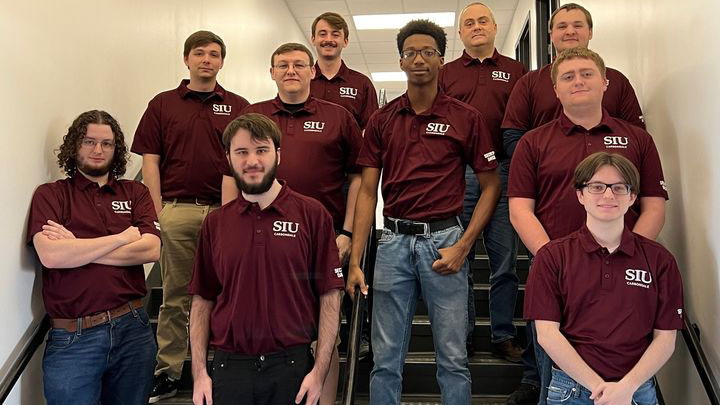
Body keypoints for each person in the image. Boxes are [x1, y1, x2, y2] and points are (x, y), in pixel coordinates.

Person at [347, 19, 500, 404]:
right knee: (385, 360)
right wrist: (356, 259)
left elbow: (492, 185)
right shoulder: (381, 121)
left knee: (452, 359)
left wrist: (465, 245)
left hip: (445, 243)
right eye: (411, 52)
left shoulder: (466, 118)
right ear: (400, 61)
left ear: (441, 60)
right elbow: (367, 192)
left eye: (428, 52)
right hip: (393, 245)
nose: (419, 59)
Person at [507, 47, 668, 404]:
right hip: (557, 270)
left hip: (628, 271)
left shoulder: (637, 139)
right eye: (567, 76)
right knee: (557, 371)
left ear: (605, 83)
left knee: (628, 363)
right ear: (555, 90)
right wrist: (556, 260)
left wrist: (627, 256)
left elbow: (654, 206)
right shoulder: (533, 143)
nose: (577, 81)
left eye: (586, 73)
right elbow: (520, 209)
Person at [222, 42, 363, 404]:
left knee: (324, 322)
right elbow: (230, 175)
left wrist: (346, 231)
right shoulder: (254, 115)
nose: (291, 70)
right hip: (259, 232)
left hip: (323, 234)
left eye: (299, 64)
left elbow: (358, 178)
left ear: (312, 71)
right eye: (282, 65)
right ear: (271, 73)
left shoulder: (339, 117)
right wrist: (227, 229)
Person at [188, 113, 343, 405]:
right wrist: (199, 373)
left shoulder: (313, 215)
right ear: (229, 158)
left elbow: (330, 296)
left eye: (261, 150)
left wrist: (318, 373)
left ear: (278, 154)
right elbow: (202, 300)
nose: (252, 161)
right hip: (229, 368)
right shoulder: (215, 224)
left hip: (292, 369)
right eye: (242, 152)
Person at [131, 30, 249, 403]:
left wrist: (232, 215)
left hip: (226, 212)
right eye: (199, 53)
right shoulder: (163, 104)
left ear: (222, 61)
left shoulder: (238, 105)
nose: (207, 60)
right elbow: (150, 161)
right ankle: (169, 371)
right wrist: (156, 213)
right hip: (177, 212)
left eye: (214, 54)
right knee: (176, 297)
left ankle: (227, 366)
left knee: (231, 292)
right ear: (186, 60)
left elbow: (242, 160)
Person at [525, 152, 683, 405]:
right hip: (571, 391)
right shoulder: (552, 257)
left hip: (636, 391)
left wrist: (626, 388)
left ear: (632, 197)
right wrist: (600, 388)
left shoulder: (660, 260)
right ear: (580, 195)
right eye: (597, 187)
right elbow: (546, 334)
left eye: (619, 188)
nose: (608, 195)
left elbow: (666, 338)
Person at [28, 110, 161, 405]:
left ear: (117, 150)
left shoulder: (136, 192)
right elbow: (51, 256)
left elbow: (151, 249)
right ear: (75, 146)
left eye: (107, 143)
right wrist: (123, 238)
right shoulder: (51, 195)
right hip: (74, 339)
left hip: (133, 331)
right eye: (89, 141)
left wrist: (78, 248)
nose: (98, 150)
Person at [439, 1, 527, 361]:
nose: (476, 26)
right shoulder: (445, 73)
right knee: (458, 259)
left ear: (494, 27)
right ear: (460, 34)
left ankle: (502, 333)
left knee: (503, 261)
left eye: (483, 21)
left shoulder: (516, 70)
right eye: (469, 23)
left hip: (503, 174)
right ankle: (464, 334)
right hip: (458, 176)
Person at [310, 11, 379, 129]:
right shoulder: (302, 80)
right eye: (322, 34)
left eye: (335, 35)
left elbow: (371, 131)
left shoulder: (362, 83)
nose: (328, 39)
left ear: (345, 42)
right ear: (313, 39)